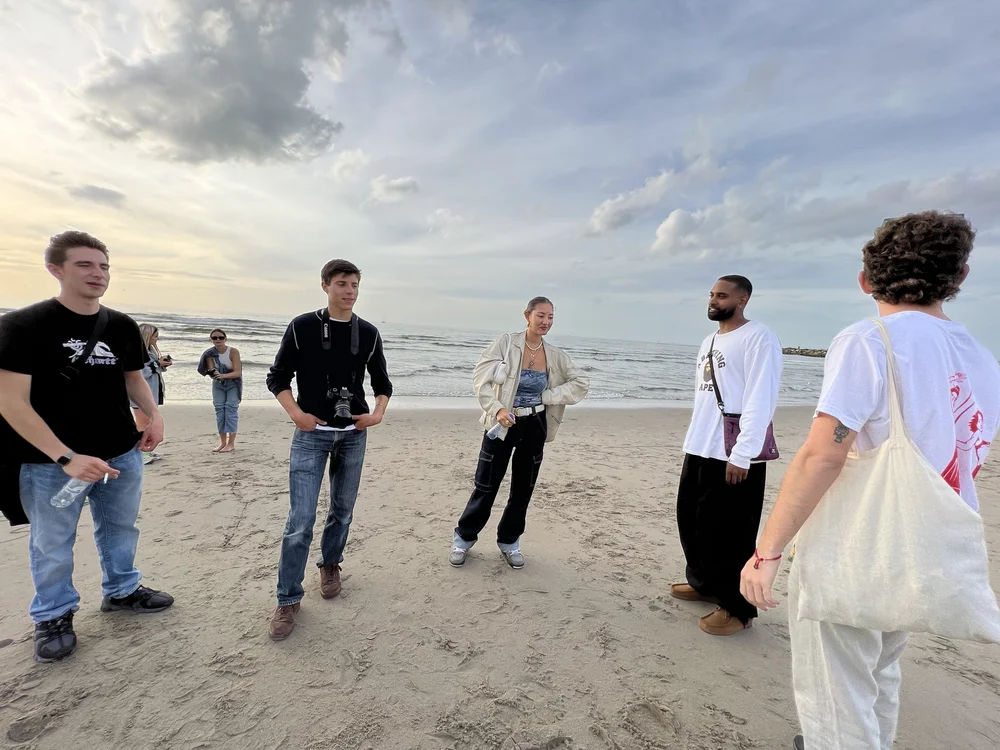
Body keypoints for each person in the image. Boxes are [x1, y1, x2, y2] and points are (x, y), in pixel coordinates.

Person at [741, 211, 1000, 749]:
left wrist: (767, 552)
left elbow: (822, 456)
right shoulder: (980, 356)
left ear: (866, 279)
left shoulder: (869, 340)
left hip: (856, 541)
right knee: (880, 672)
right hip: (925, 536)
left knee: (835, 694)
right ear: (961, 275)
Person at [0, 230, 174, 664]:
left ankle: (122, 590)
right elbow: (10, 402)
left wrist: (153, 416)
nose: (98, 274)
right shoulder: (23, 326)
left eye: (104, 266)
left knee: (120, 528)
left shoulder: (120, 325)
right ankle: (54, 614)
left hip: (120, 453)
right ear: (55, 269)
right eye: (85, 265)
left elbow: (134, 377)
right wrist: (66, 457)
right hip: (52, 463)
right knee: (52, 541)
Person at [264, 259, 392, 640]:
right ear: (325, 286)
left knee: (343, 510)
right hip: (312, 433)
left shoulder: (367, 333)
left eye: (354, 284)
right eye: (341, 283)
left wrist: (377, 414)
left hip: (354, 432)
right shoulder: (302, 326)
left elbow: (383, 382)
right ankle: (287, 599)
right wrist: (297, 414)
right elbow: (277, 376)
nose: (349, 291)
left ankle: (330, 564)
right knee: (300, 519)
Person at [672, 275, 782, 636]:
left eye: (722, 295)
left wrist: (743, 453)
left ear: (743, 299)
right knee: (691, 520)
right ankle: (705, 584)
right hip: (701, 446)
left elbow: (760, 397)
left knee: (730, 533)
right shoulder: (709, 340)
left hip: (734, 453)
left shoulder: (758, 337)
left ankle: (737, 608)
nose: (714, 301)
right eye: (712, 294)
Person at [449, 296, 589, 570]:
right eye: (540, 315)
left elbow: (581, 383)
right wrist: (497, 408)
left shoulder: (555, 355)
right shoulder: (506, 343)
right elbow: (481, 378)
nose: (545, 322)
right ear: (527, 315)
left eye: (550, 317)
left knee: (523, 489)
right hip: (502, 424)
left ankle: (509, 542)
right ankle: (463, 539)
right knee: (486, 485)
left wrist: (549, 395)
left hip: (535, 425)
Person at [131, 323, 172, 464]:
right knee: (142, 423)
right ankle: (141, 454)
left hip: (152, 393)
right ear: (148, 336)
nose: (157, 339)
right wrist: (157, 365)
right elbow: (140, 373)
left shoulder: (151, 352)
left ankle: (147, 451)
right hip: (140, 396)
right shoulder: (136, 353)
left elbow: (154, 370)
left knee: (149, 422)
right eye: (155, 336)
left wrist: (162, 364)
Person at [198, 328, 242, 453]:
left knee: (231, 409)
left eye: (220, 337)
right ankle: (222, 442)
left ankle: (231, 443)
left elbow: (237, 372)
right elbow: (212, 371)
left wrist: (223, 375)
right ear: (211, 340)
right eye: (214, 338)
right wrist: (214, 374)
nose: (218, 340)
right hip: (218, 384)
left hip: (233, 383)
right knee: (219, 410)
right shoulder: (209, 354)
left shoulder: (233, 352)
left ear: (225, 339)